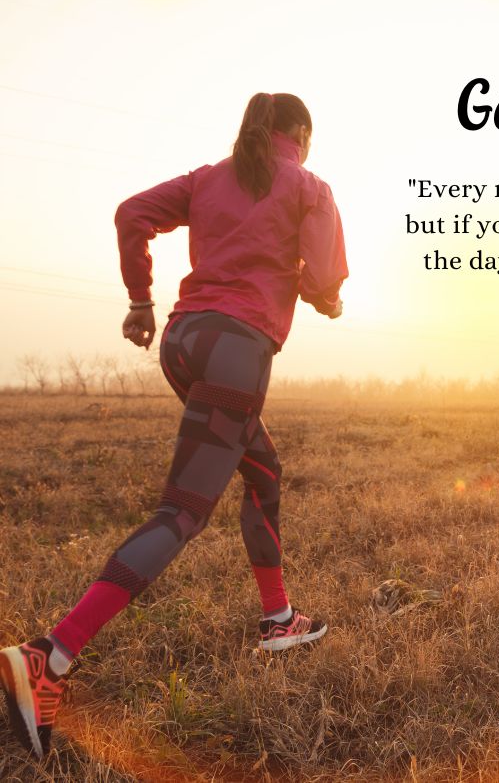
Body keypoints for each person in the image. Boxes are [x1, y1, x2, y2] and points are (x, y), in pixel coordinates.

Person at [0, 92, 348, 760]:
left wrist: (139, 300)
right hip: (238, 350)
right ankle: (49, 655)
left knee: (263, 472)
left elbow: (131, 214)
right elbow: (326, 276)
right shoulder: (308, 185)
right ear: (298, 134)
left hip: (185, 342)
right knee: (181, 514)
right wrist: (325, 295)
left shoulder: (208, 178)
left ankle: (278, 621)